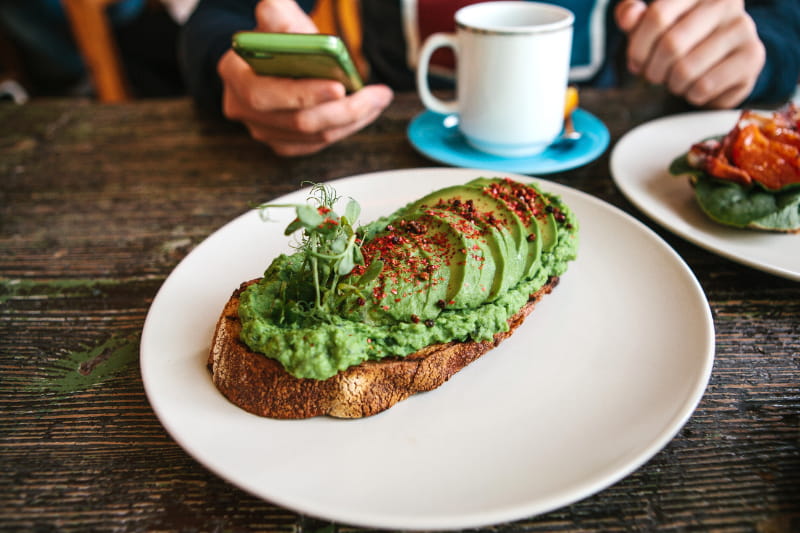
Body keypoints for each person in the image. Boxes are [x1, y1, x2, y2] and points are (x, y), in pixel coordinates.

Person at [180, 0, 800, 157]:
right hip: (387, 157)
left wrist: (752, 54)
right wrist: (237, 69)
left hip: (616, 166)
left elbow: (781, 27)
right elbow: (221, 18)